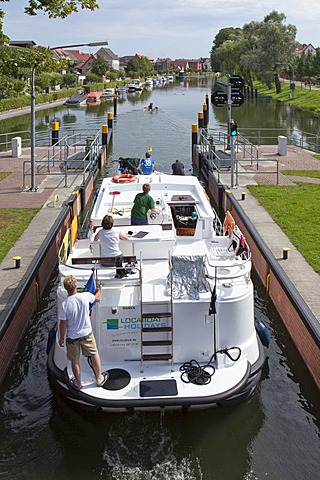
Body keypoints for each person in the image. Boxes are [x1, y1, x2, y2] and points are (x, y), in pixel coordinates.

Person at [58, 275, 107, 390]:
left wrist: (61, 338)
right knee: (94, 354)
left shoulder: (65, 305)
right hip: (87, 334)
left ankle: (78, 383)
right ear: (76, 286)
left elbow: (62, 324)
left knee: (75, 360)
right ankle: (99, 378)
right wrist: (99, 290)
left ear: (66, 289)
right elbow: (96, 298)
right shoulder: (85, 296)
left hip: (72, 337)